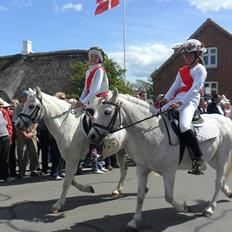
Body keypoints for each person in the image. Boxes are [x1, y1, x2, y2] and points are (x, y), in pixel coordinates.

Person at [158, 39, 207, 175]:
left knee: (184, 126)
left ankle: (198, 159)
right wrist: (166, 99)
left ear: (197, 55)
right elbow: (175, 86)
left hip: (190, 100)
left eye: (189, 55)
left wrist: (180, 103)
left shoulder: (200, 69)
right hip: (178, 98)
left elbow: (195, 89)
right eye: (185, 55)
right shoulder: (182, 71)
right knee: (157, 114)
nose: (186, 57)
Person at [13, 90, 39, 178]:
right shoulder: (18, 108)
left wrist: (32, 132)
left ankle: (33, 170)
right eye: (25, 97)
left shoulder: (32, 106)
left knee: (34, 151)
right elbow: (15, 121)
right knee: (22, 152)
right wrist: (24, 133)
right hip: (21, 132)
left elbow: (36, 120)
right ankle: (22, 171)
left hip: (32, 132)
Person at [0, 98, 15, 182]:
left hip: (5, 137)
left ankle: (6, 176)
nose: (1, 107)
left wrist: (10, 136)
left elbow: (9, 124)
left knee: (5, 157)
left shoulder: (4, 112)